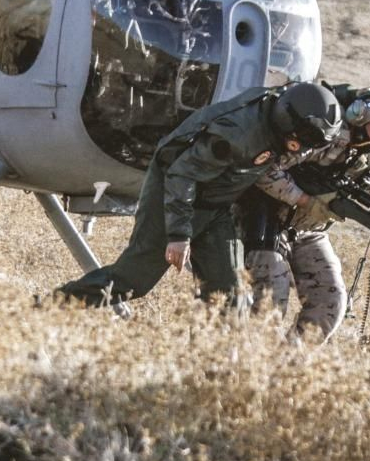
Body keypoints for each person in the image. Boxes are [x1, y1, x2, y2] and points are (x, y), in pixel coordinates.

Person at [57, 81, 344, 307]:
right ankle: (47, 309)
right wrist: (179, 235)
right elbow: (183, 175)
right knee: (132, 280)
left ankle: (216, 374)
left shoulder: (284, 110)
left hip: (216, 204)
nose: (302, 151)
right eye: (300, 143)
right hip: (175, 194)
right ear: (288, 126)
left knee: (230, 298)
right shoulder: (236, 136)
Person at [236, 84, 370, 343]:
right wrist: (306, 200)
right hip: (267, 219)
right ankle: (244, 367)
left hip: (308, 230)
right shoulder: (324, 130)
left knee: (331, 302)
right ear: (361, 116)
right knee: (272, 297)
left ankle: (284, 370)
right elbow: (265, 171)